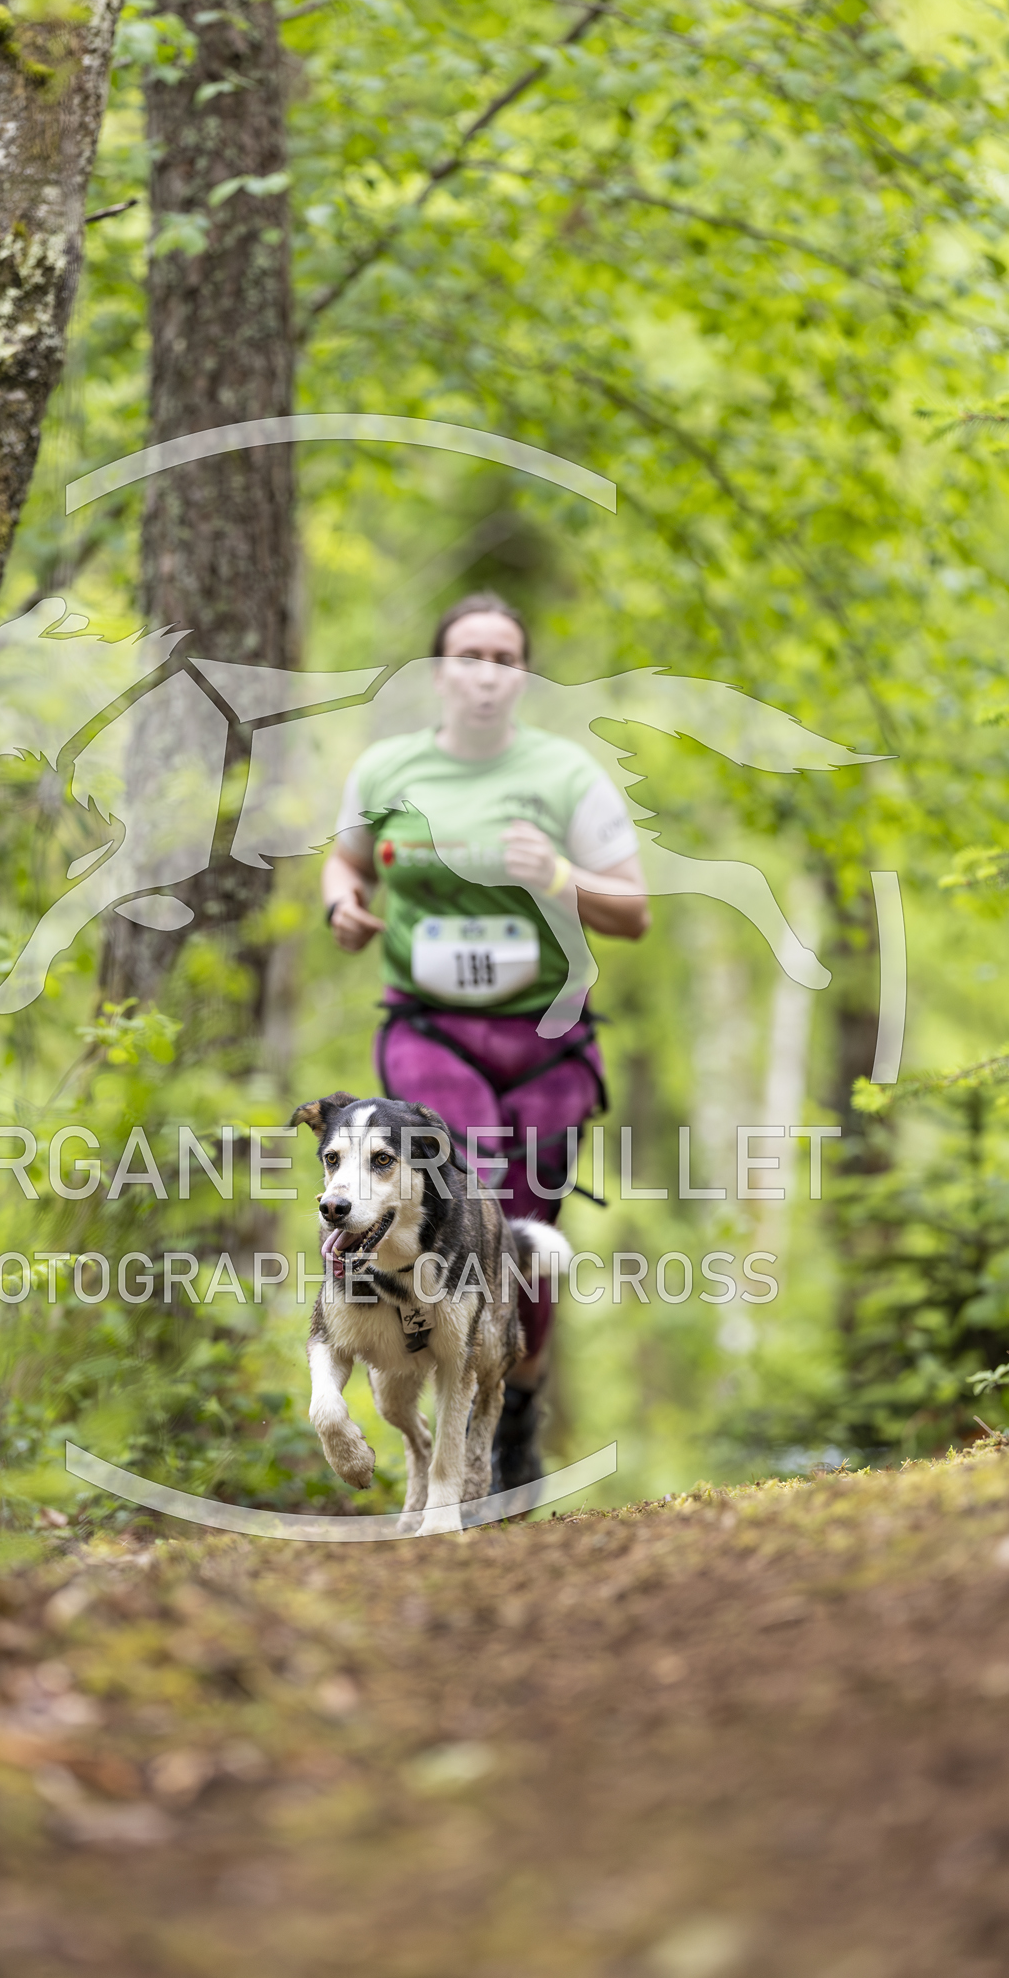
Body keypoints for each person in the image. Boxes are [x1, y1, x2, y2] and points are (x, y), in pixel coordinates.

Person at [320, 590, 650, 1487]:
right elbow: (345, 862)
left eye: (506, 658)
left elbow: (634, 912)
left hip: (547, 1038)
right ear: (439, 671)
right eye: (469, 655)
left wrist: (561, 874)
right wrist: (343, 905)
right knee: (470, 1197)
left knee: (525, 1234)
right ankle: (448, 1415)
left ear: (524, 675)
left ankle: (518, 1403)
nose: (487, 673)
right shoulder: (387, 769)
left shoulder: (566, 775)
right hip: (431, 1031)